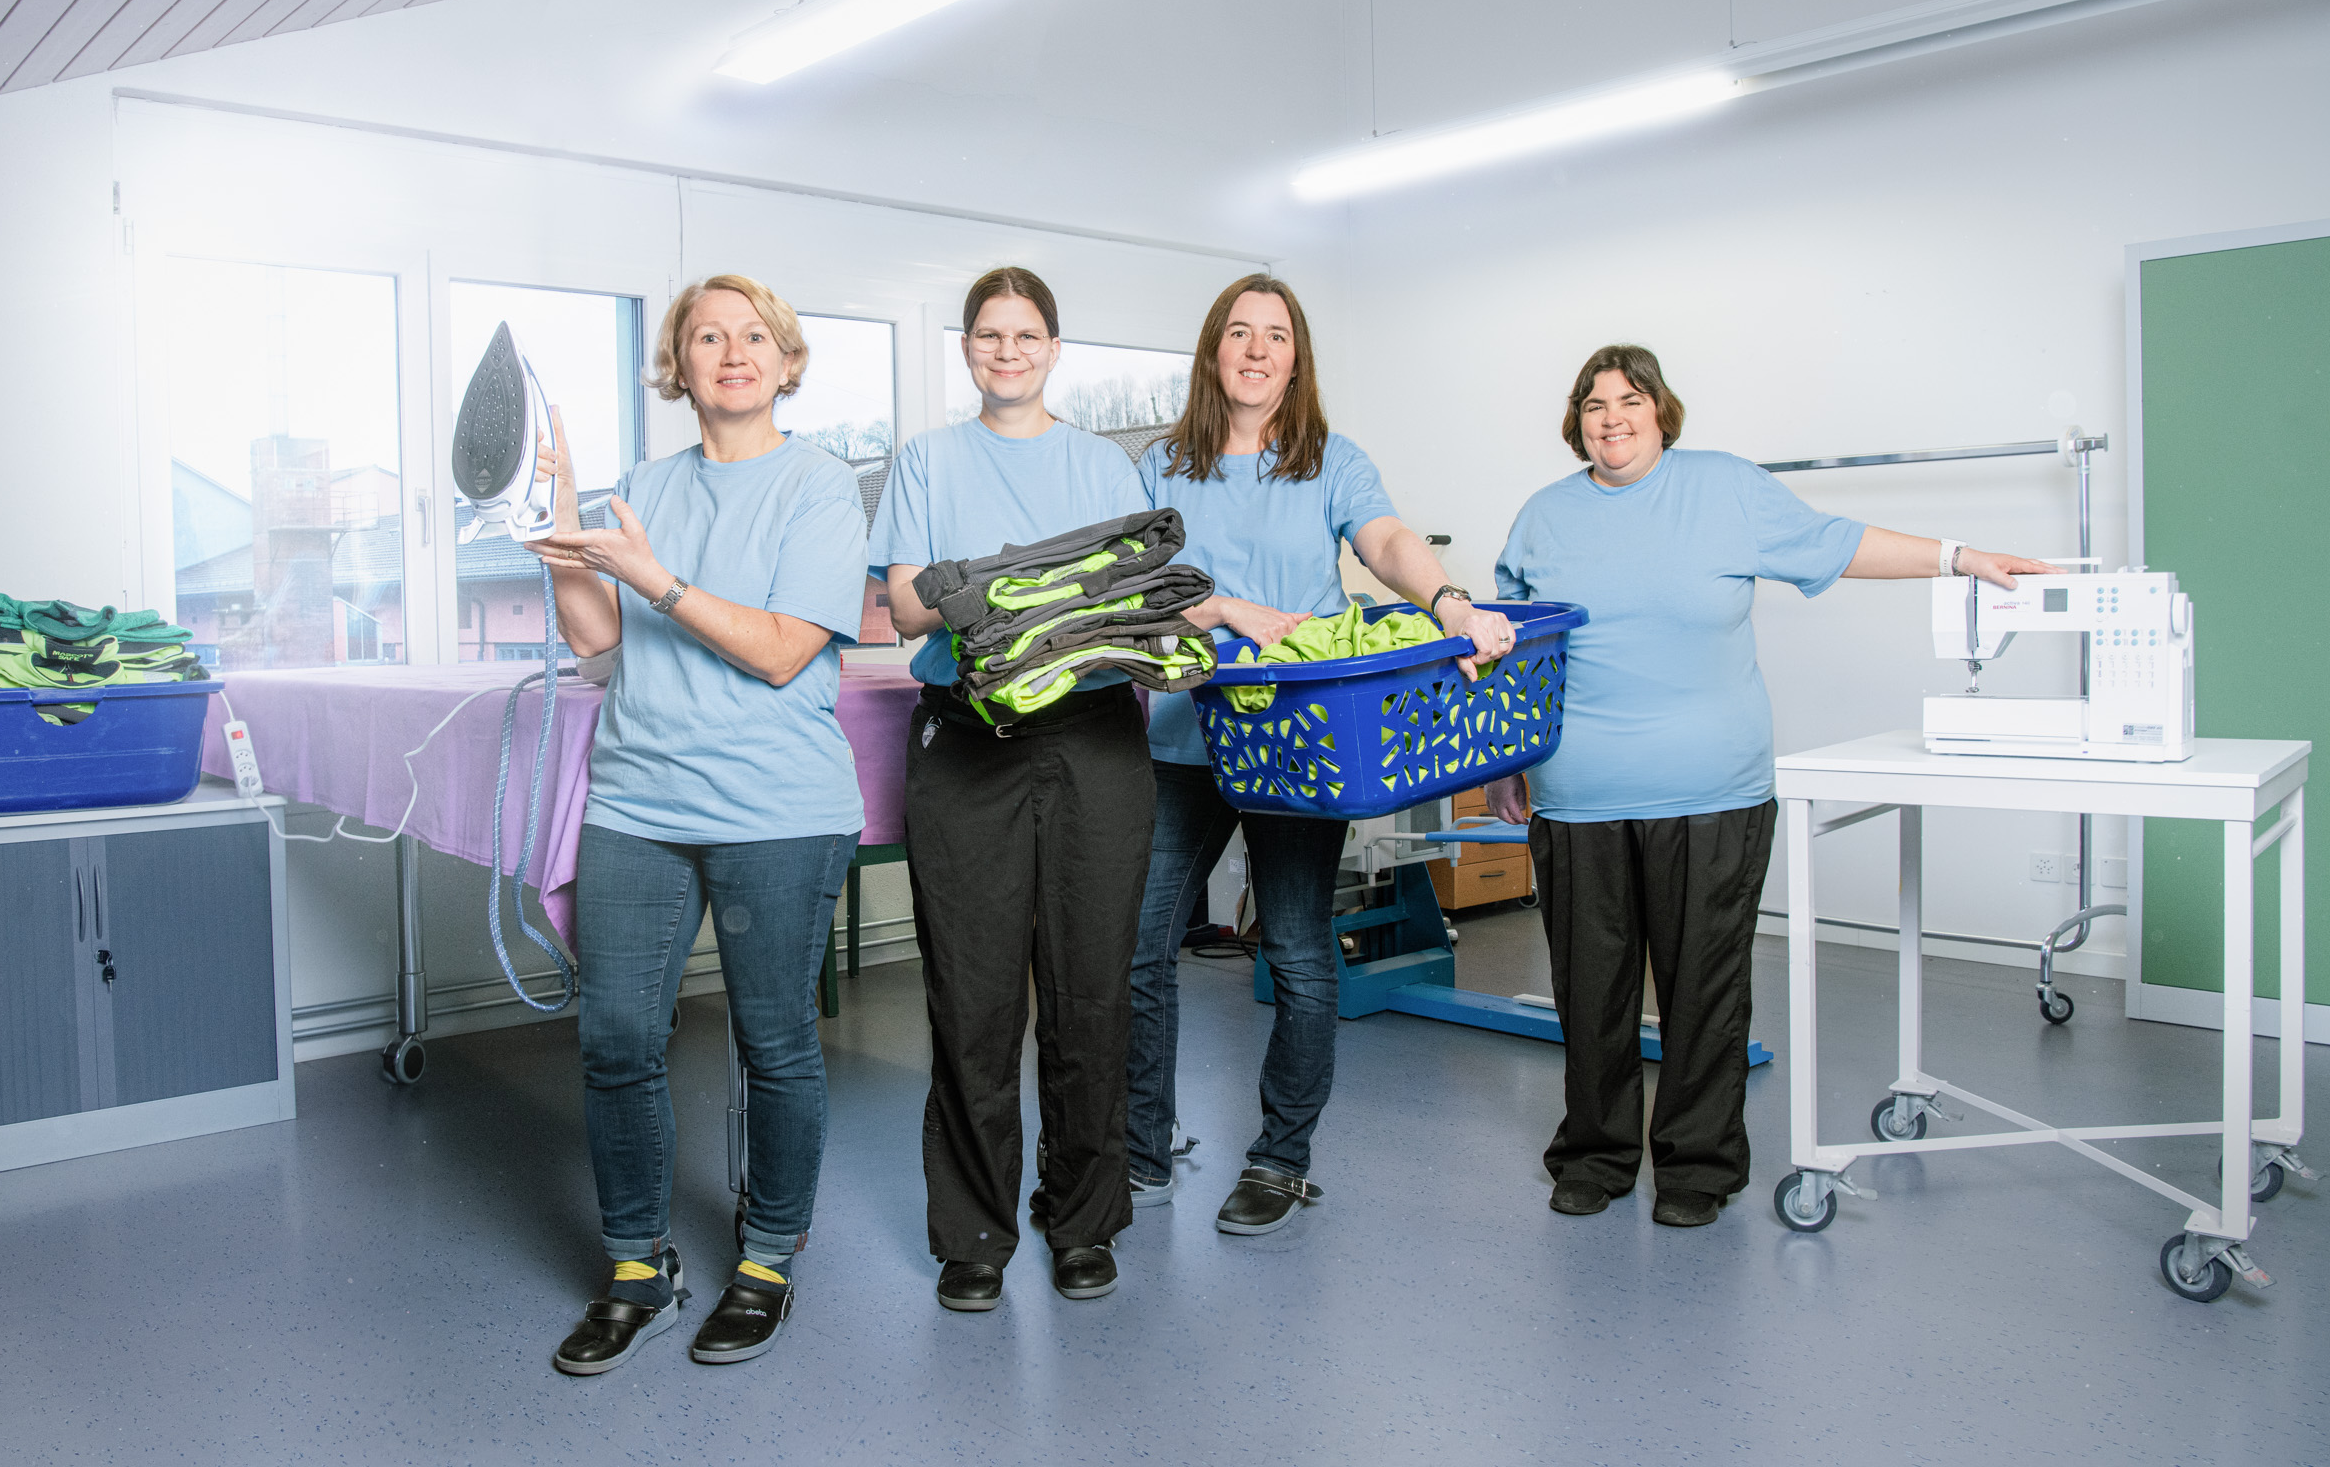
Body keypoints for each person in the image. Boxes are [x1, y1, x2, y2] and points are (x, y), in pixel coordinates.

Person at [1484, 344, 2054, 1228]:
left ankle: (1697, 1170)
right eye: (1593, 404)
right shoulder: (1543, 518)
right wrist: (1507, 760)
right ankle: (1594, 1157)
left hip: (1713, 792)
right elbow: (1515, 649)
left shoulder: (1725, 489)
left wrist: (1962, 557)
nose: (1611, 417)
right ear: (1576, 422)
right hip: (1579, 793)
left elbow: (1841, 544)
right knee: (1589, 991)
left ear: (1660, 411)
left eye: (1629, 399)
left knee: (1703, 989)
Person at [526, 274, 866, 1373]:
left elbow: (778, 651)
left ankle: (766, 1260)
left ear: (786, 357)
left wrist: (656, 578)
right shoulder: (646, 486)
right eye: (706, 336)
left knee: (775, 1044)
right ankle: (638, 1267)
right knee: (617, 1036)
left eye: (752, 334)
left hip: (777, 809)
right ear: (677, 364)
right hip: (638, 800)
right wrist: (572, 541)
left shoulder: (821, 487)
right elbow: (600, 643)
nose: (730, 351)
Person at [1133, 274, 1516, 1234]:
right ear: (1211, 351)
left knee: (1299, 950)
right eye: (1238, 333)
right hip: (1184, 740)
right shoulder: (1160, 468)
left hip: (1296, 748)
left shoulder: (1328, 461)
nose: (1256, 351)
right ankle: (1141, 1145)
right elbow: (1133, 587)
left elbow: (1384, 539)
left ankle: (1279, 1159)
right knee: (1138, 947)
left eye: (1275, 336)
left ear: (1296, 357)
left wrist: (1449, 602)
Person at [870, 266, 1157, 1311]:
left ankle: (1082, 1218)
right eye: (988, 333)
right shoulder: (928, 461)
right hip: (968, 747)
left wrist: (982, 584)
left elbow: (1131, 599)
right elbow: (905, 606)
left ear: (1053, 347)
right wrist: (1010, 592)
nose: (1006, 349)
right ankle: (975, 1234)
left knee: (1090, 993)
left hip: (1092, 745)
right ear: (967, 349)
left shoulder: (1102, 465)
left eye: (1025, 332)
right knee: (972, 1000)